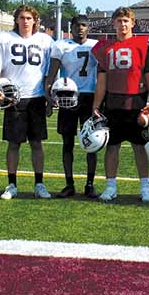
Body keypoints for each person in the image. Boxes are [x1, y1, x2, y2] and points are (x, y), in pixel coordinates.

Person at [91, 6, 149, 202]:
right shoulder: (105, 47)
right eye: (119, 21)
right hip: (113, 102)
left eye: (126, 21)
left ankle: (145, 187)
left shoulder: (143, 44)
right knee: (112, 146)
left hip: (136, 101)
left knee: (140, 146)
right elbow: (102, 80)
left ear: (133, 23)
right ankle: (111, 186)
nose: (122, 24)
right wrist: (96, 105)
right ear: (113, 23)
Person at [0, 5, 54, 200]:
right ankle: (11, 184)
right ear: (16, 20)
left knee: (36, 143)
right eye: (22, 18)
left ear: (35, 21)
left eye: (29, 18)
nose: (25, 21)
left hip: (36, 98)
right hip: (13, 98)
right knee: (14, 144)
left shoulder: (45, 41)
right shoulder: (3, 39)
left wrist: (49, 98)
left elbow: (50, 72)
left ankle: (39, 184)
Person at [45, 14, 99, 198]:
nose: (80, 28)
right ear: (72, 27)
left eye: (83, 25)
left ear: (88, 28)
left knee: (92, 142)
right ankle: (69, 184)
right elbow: (51, 74)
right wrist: (49, 97)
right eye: (77, 25)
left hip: (89, 97)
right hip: (67, 97)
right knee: (67, 143)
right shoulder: (61, 45)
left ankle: (90, 184)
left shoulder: (96, 46)